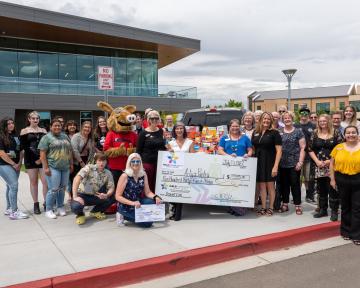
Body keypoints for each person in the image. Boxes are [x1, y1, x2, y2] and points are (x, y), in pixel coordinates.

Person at [308, 114, 342, 220]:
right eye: (320, 121)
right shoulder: (314, 133)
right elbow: (309, 149)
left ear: (328, 121)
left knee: (333, 188)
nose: (322, 123)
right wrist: (317, 161)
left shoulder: (336, 133)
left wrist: (330, 160)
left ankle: (334, 211)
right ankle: (323, 210)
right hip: (319, 165)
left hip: (333, 164)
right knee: (321, 188)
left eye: (324, 121)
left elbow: (341, 148)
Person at [330, 125, 360, 245]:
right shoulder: (338, 148)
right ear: (344, 135)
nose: (351, 135)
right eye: (348, 133)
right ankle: (345, 232)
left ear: (357, 134)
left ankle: (356, 234)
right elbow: (331, 164)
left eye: (353, 132)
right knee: (345, 206)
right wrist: (332, 180)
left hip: (358, 179)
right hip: (341, 179)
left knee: (357, 207)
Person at [115, 153, 162, 228]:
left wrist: (156, 197)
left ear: (140, 163)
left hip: (138, 203)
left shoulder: (143, 174)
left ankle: (138, 215)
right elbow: (117, 196)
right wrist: (132, 203)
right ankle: (122, 215)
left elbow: (148, 192)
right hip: (126, 205)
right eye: (133, 161)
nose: (135, 163)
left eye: (138, 161)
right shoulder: (125, 176)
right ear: (129, 163)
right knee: (148, 224)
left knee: (152, 201)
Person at [39, 119, 73, 219]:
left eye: (59, 125)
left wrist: (71, 163)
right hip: (53, 167)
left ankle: (60, 207)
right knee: (53, 189)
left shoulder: (65, 136)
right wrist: (45, 167)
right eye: (55, 126)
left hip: (65, 167)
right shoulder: (46, 137)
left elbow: (69, 151)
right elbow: (42, 154)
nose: (57, 127)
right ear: (51, 127)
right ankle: (49, 209)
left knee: (62, 188)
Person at [218, 119, 253, 216]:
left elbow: (250, 150)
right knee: (229, 187)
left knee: (240, 187)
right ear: (229, 127)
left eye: (237, 126)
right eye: (233, 126)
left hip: (242, 167)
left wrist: (248, 155)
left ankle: (239, 209)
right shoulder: (224, 138)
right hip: (228, 167)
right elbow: (220, 150)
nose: (235, 128)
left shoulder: (245, 138)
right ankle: (231, 207)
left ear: (239, 127)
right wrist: (228, 156)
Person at [71, 152, 115, 225]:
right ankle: (80, 214)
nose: (101, 163)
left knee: (112, 197)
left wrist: (106, 195)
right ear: (96, 161)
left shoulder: (108, 173)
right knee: (76, 206)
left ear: (106, 162)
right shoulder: (88, 167)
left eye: (103, 161)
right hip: (82, 195)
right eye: (99, 161)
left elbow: (111, 187)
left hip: (94, 195)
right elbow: (76, 179)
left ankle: (95, 211)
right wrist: (75, 196)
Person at [251, 112, 282, 216]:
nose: (266, 121)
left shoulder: (274, 133)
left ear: (271, 121)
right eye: (264, 119)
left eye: (268, 119)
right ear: (260, 120)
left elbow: (279, 151)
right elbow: (253, 148)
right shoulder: (255, 132)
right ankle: (263, 207)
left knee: (270, 185)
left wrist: (275, 166)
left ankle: (271, 207)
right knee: (261, 186)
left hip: (270, 162)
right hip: (258, 162)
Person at [0, 117, 28, 220]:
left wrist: (20, 163)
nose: (11, 125)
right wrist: (13, 164)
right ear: (4, 125)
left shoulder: (16, 136)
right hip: (4, 164)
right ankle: (14, 212)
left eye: (12, 123)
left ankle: (9, 208)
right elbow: (1, 153)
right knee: (14, 186)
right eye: (8, 124)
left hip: (16, 164)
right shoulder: (1, 136)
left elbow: (21, 151)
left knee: (10, 187)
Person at [20, 111, 48, 214]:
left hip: (42, 159)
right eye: (33, 118)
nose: (35, 120)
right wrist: (35, 159)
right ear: (29, 119)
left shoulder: (44, 130)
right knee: (34, 182)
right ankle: (36, 204)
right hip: (30, 160)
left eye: (37, 118)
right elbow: (24, 147)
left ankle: (46, 203)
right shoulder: (24, 131)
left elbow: (46, 145)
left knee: (45, 182)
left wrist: (41, 158)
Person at [278, 111, 306, 215]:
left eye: (289, 118)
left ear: (292, 118)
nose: (287, 119)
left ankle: (298, 205)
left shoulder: (298, 131)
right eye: (285, 118)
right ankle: (285, 204)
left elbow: (303, 147)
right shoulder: (279, 131)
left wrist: (300, 162)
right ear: (283, 120)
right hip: (282, 163)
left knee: (295, 184)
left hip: (295, 163)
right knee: (284, 184)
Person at [167, 122, 195, 220]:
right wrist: (168, 153)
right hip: (173, 171)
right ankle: (172, 211)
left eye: (181, 128)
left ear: (184, 130)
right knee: (173, 191)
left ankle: (178, 214)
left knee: (181, 192)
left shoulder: (190, 142)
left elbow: (193, 157)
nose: (179, 130)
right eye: (177, 128)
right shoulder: (170, 143)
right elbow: (168, 159)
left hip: (185, 171)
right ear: (174, 130)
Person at [136, 110, 167, 192]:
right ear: (148, 120)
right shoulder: (143, 133)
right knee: (147, 184)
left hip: (160, 163)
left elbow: (166, 145)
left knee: (158, 183)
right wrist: (139, 164)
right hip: (147, 163)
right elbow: (138, 151)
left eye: (156, 118)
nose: (154, 120)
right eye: (152, 118)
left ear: (159, 119)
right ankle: (148, 202)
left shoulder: (162, 131)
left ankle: (157, 201)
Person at [294, 107, 316, 203]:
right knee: (297, 178)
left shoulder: (313, 126)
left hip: (309, 156)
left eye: (306, 113)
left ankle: (309, 196)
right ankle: (296, 196)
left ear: (308, 115)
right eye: (302, 113)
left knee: (307, 178)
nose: (304, 115)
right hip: (297, 156)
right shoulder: (295, 126)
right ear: (299, 115)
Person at [70, 121, 96, 192]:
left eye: (89, 127)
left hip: (87, 161)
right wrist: (81, 162)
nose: (87, 129)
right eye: (85, 127)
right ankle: (74, 197)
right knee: (76, 179)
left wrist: (89, 162)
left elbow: (92, 151)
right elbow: (74, 150)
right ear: (82, 127)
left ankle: (85, 196)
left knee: (87, 180)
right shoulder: (76, 136)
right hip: (77, 161)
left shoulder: (91, 138)